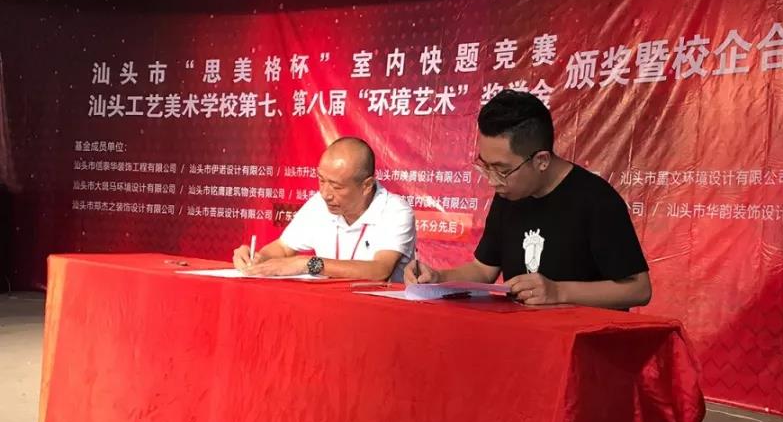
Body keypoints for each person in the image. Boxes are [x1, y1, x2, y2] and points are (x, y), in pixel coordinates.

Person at [406, 89, 650, 309]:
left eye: (502, 170)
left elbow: (638, 289)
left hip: (580, 339)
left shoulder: (596, 200)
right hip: (525, 335)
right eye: (485, 166)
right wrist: (438, 278)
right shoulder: (508, 196)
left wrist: (559, 292)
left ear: (541, 160)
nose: (492, 180)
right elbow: (483, 270)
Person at [233, 137, 415, 281]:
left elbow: (380, 270)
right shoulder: (318, 204)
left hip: (377, 309)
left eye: (336, 186)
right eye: (321, 180)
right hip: (327, 305)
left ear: (366, 185)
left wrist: (308, 264)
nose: (325, 193)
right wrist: (256, 258)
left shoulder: (395, 211)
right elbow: (283, 248)